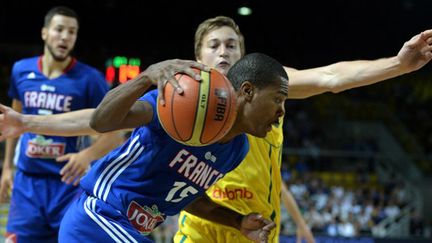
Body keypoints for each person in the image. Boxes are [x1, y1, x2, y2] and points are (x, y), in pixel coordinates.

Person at [0, 16, 431, 243]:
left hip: (240, 223)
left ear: (246, 66)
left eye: (232, 45)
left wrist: (396, 65)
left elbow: (333, 76)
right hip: (138, 221)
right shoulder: (178, 98)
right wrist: (27, 123)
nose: (224, 51)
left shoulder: (262, 99)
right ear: (198, 58)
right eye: (214, 45)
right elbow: (99, 120)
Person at [55, 53, 286, 242]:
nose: (282, 111)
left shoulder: (237, 150)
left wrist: (238, 221)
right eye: (278, 98)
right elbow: (100, 121)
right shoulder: (188, 102)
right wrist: (146, 78)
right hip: (99, 217)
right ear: (247, 91)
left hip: (129, 231)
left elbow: (191, 199)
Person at [0, 6, 123, 242]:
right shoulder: (21, 70)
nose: (65, 37)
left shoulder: (91, 79)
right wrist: (7, 168)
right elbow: (13, 123)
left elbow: (115, 134)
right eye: (59, 30)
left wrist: (87, 154)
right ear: (45, 33)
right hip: (27, 183)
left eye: (72, 32)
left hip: (68, 184)